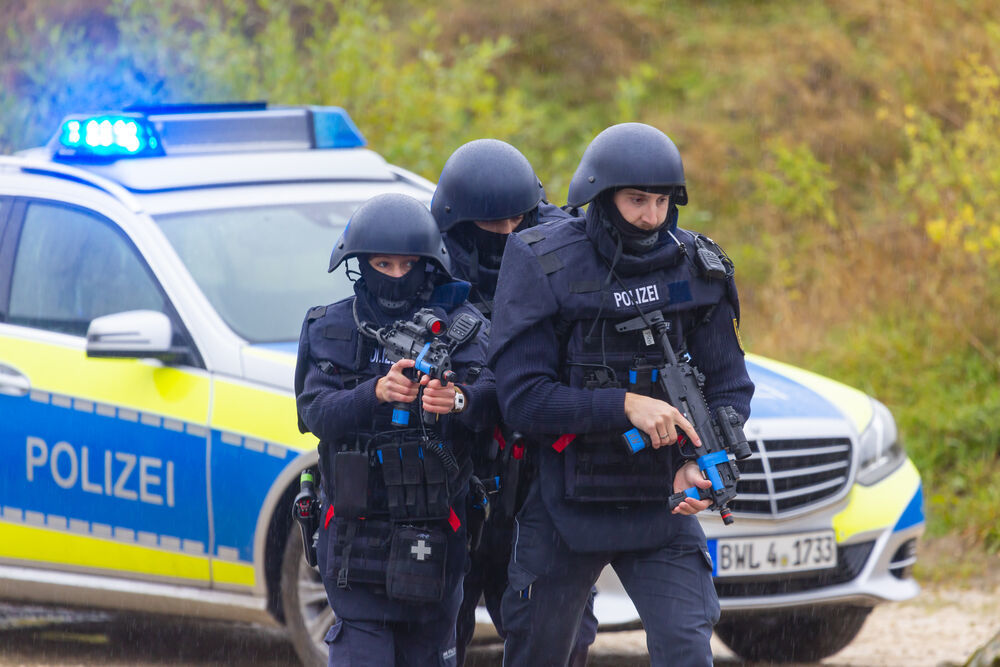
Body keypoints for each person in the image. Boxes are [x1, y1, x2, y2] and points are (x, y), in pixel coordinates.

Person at [488, 123, 755, 666]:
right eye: (637, 200)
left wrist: (701, 462)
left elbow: (728, 384)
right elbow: (523, 399)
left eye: (661, 201)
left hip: (662, 500)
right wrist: (623, 406)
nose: (651, 217)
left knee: (686, 648)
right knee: (541, 653)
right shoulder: (543, 261)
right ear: (600, 195)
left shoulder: (697, 266)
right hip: (565, 501)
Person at [295, 193, 497, 666]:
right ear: (359, 263)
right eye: (382, 263)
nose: (395, 274)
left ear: (428, 265)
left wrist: (459, 400)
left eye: (408, 263)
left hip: (437, 538)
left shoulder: (466, 327)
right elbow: (314, 413)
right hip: (353, 542)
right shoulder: (330, 327)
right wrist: (375, 394)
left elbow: (501, 404)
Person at [431, 138, 598, 667]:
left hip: (537, 490)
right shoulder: (421, 274)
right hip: (452, 487)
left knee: (561, 642)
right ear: (459, 227)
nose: (507, 236)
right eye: (492, 227)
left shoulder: (567, 254)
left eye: (516, 222)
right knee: (434, 641)